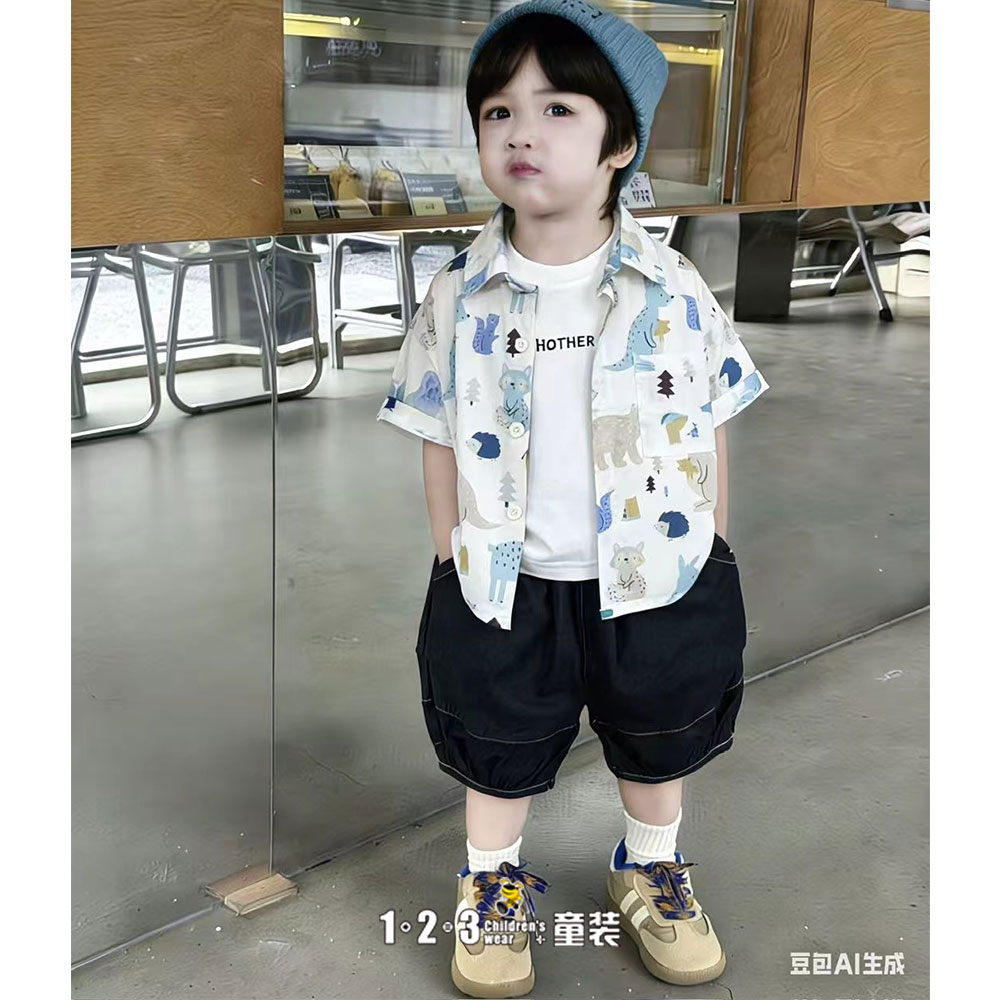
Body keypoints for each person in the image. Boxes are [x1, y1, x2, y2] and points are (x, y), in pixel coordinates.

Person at [375, 2, 770, 996]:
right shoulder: (456, 293)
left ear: (619, 144)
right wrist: (450, 551)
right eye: (498, 111)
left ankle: (650, 866)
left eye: (557, 108)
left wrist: (710, 546)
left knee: (658, 729)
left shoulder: (672, 286)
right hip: (505, 580)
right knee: (495, 741)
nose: (522, 131)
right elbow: (435, 430)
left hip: (656, 571)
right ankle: (491, 884)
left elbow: (712, 414)